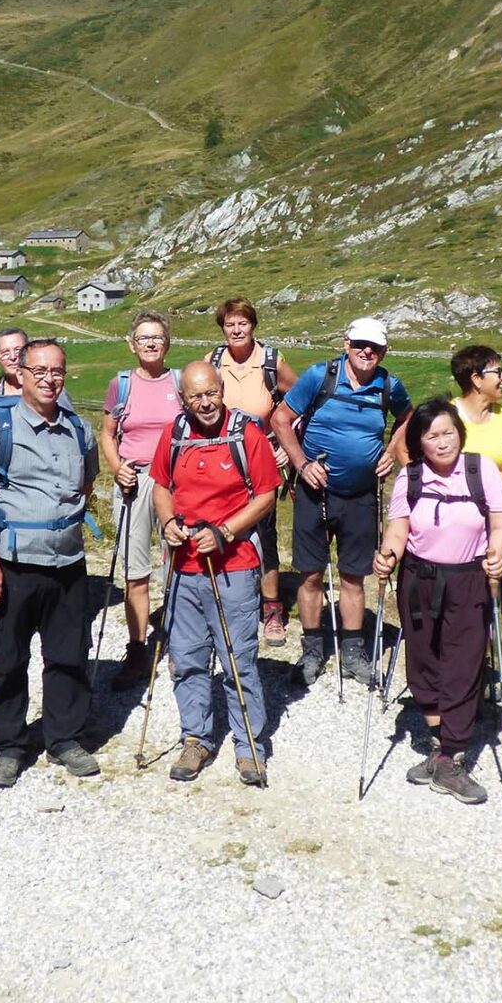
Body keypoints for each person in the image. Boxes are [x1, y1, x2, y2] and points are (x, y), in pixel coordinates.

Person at [0, 339, 101, 787]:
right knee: (9, 657)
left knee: (69, 654)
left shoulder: (79, 429)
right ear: (21, 374)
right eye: (39, 370)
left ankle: (64, 738)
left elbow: (86, 483)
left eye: (57, 371)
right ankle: (9, 745)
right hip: (15, 563)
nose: (49, 379)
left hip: (68, 560)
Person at [372, 399, 502, 805]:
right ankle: (440, 746)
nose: (443, 442)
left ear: (460, 434)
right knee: (423, 663)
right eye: (432, 436)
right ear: (419, 442)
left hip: (469, 578)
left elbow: (499, 523)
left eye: (449, 432)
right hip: (419, 579)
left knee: (463, 664)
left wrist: (497, 555)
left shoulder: (481, 470)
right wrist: (388, 555)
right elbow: (398, 529)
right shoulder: (410, 477)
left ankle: (452, 754)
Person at [151, 362, 281, 785]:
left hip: (234, 566)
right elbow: (161, 485)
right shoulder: (175, 434)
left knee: (237, 660)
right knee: (187, 658)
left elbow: (266, 494)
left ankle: (249, 746)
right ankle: (196, 738)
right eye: (196, 397)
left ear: (221, 390)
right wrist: (167, 522)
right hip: (183, 566)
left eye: (211, 393)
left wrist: (225, 531)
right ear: (183, 399)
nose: (206, 403)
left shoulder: (247, 433)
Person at [272, 317, 413, 687]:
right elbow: (281, 419)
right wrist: (302, 464)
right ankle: (312, 650)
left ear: (384, 351)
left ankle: (352, 652)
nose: (367, 351)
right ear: (346, 343)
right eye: (360, 344)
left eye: (375, 346)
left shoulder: (389, 385)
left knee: (354, 575)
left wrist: (392, 451)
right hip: (314, 491)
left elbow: (408, 418)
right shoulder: (320, 376)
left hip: (362, 495)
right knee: (310, 572)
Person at [100, 310, 183, 686]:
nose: (151, 343)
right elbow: (107, 434)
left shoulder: (179, 382)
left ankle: (178, 644)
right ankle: (137, 650)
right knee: (135, 572)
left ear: (168, 343)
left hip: (174, 482)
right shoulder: (120, 385)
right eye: (144, 337)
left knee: (177, 566)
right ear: (132, 344)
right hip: (132, 481)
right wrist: (117, 468)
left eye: (157, 337)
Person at [210, 298, 298, 646]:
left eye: (242, 323)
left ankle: (272, 609)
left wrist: (286, 445)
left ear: (253, 325)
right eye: (230, 324)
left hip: (261, 462)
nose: (236, 330)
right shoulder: (213, 361)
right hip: (222, 463)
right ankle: (228, 601)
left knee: (264, 532)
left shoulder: (272, 362)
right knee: (223, 528)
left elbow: (303, 402)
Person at [449, 346, 502, 493]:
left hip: (497, 503)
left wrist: (494, 495)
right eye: (498, 372)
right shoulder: (446, 416)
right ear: (477, 379)